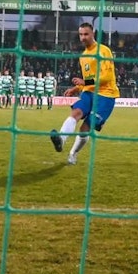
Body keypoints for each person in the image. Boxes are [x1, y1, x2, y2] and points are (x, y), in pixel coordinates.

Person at [50, 22, 120, 166]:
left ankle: (73, 154)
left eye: (86, 34)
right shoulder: (83, 56)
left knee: (84, 129)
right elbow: (88, 80)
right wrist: (76, 88)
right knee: (76, 113)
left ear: (93, 33)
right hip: (89, 93)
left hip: (106, 96)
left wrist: (83, 82)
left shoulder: (103, 51)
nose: (83, 37)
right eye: (81, 34)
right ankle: (61, 141)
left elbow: (106, 77)